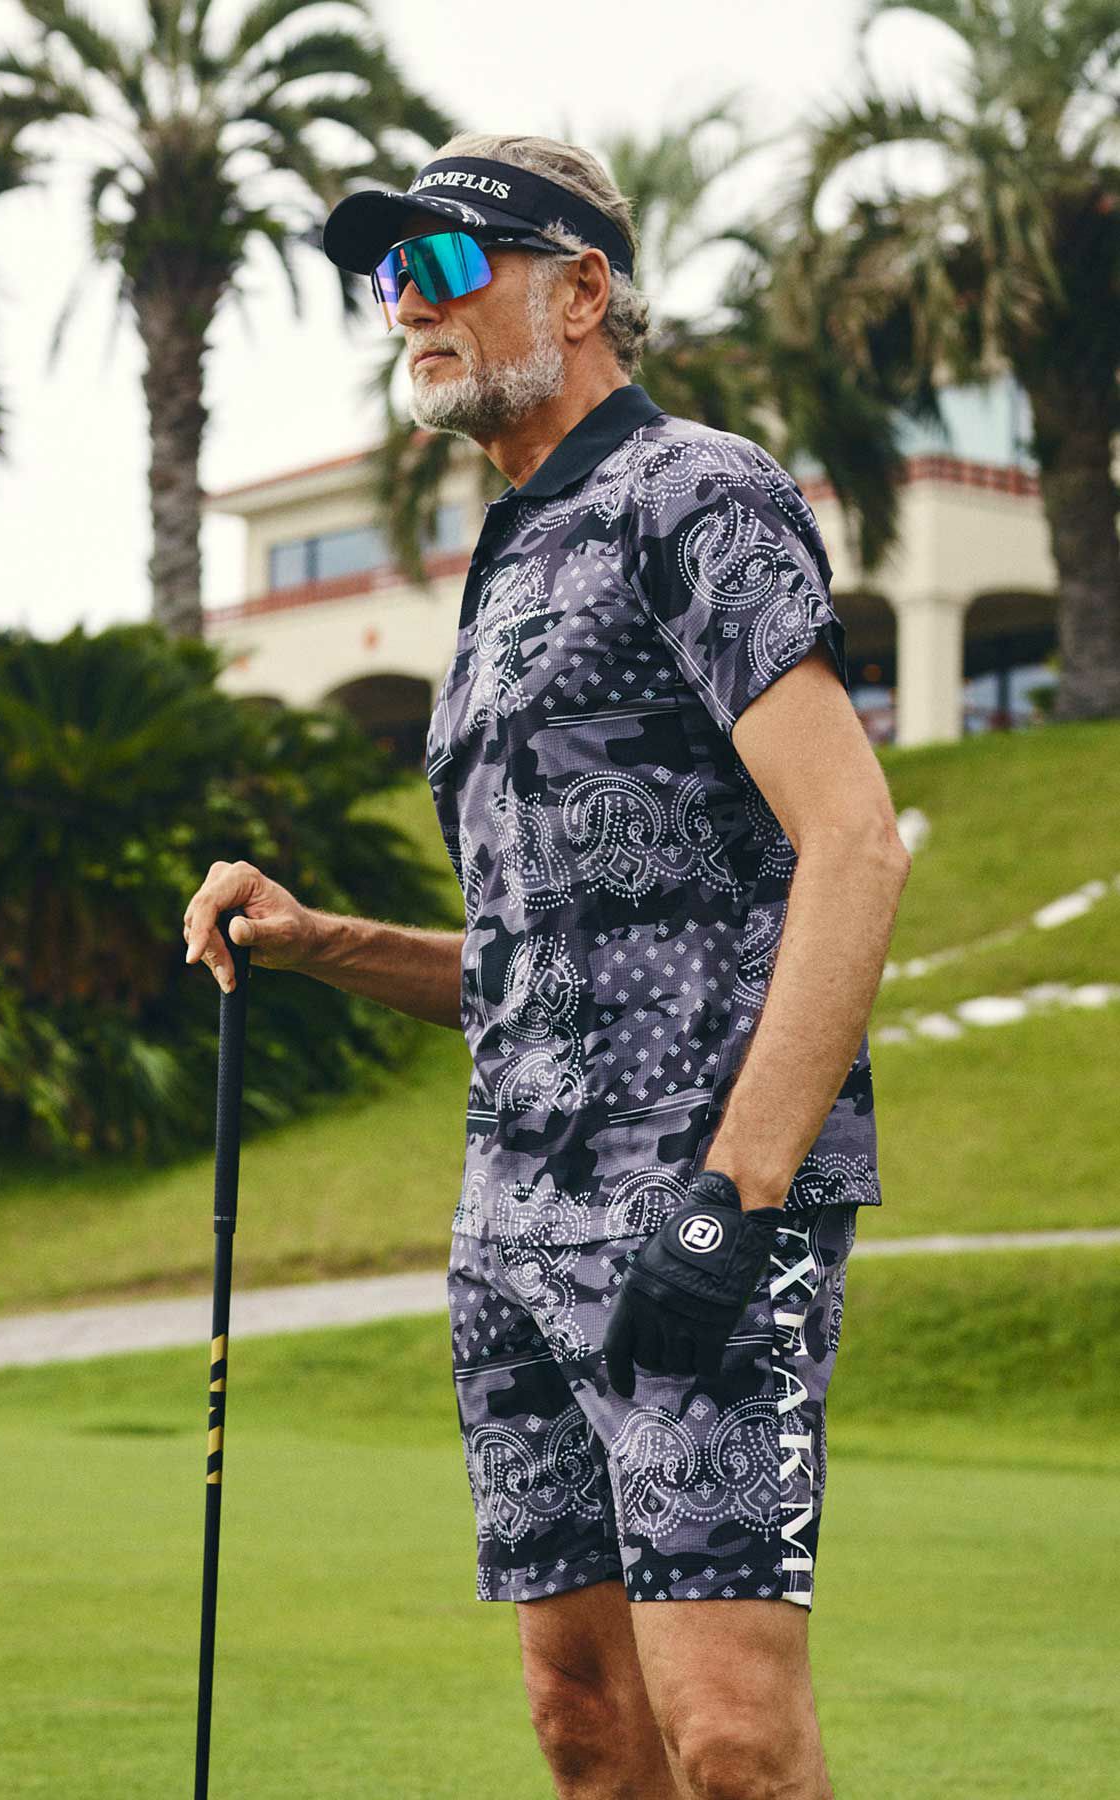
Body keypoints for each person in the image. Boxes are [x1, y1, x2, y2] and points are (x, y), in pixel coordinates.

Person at [181, 132, 910, 1800]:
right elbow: (550, 964)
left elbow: (855, 843)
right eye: (389, 277)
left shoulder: (693, 492)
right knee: (583, 1728)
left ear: (582, 290)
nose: (407, 307)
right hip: (512, 1219)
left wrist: (736, 1197)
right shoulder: (510, 557)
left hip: (696, 1210)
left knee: (728, 1742)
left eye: (446, 264)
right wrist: (325, 943)